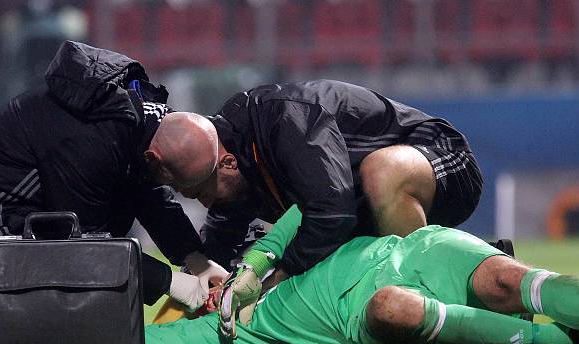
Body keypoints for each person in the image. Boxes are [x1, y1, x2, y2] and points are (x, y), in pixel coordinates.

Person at [0, 41, 228, 344]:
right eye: (179, 183)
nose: (184, 193)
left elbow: (150, 196)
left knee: (90, 318)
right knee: (75, 318)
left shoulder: (141, 121)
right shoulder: (88, 138)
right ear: (154, 157)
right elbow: (80, 250)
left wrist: (198, 262)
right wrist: (175, 285)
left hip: (29, 218)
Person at [143, 206, 579, 344]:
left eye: (215, 285)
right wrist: (179, 294)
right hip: (365, 309)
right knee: (392, 309)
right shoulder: (229, 333)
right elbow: (142, 339)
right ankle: (570, 336)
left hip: (416, 249)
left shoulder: (275, 259)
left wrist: (253, 270)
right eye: (205, 298)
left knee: (506, 279)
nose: (213, 297)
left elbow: (308, 211)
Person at [158, 80, 484, 285]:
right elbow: (217, 244)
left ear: (226, 163)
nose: (205, 204)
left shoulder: (285, 120)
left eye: (201, 192)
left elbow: (332, 214)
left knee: (380, 172)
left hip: (443, 160)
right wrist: (199, 284)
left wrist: (277, 277)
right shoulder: (234, 159)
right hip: (364, 203)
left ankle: (423, 291)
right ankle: (481, 271)